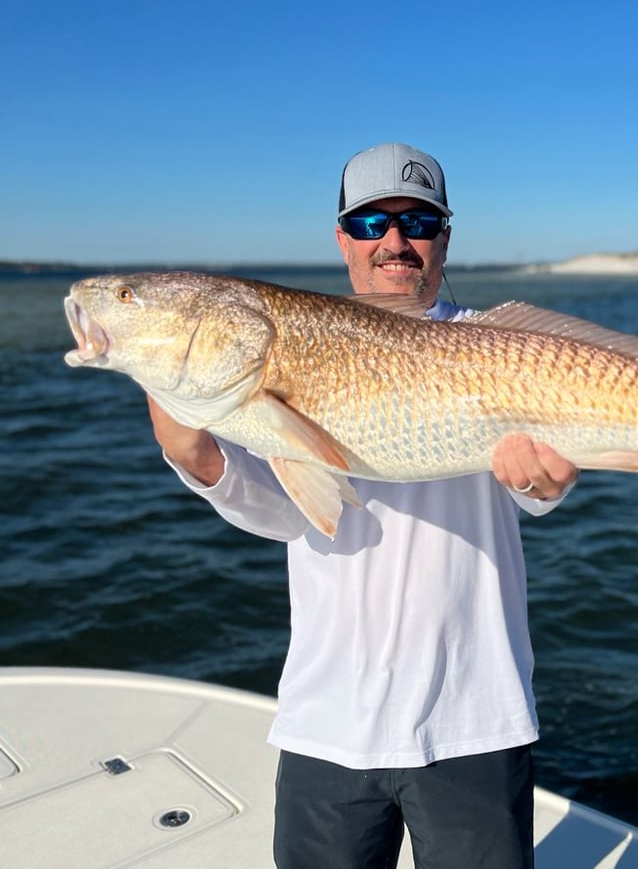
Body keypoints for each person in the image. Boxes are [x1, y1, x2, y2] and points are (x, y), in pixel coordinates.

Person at [147, 142, 579, 868]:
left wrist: (548, 483)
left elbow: (543, 489)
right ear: (342, 236)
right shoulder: (288, 345)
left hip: (475, 717)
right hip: (327, 720)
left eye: (417, 220)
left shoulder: (504, 344)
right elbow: (289, 513)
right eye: (372, 220)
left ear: (444, 235)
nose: (395, 241)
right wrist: (202, 459)